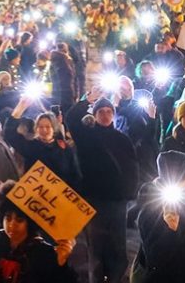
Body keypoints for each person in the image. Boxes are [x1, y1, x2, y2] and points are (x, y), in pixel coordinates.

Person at [65, 89, 138, 283]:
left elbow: (132, 167)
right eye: (101, 112)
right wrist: (85, 101)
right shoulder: (86, 136)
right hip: (94, 200)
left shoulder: (122, 139)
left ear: (113, 115)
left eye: (108, 111)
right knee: (96, 249)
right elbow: (71, 119)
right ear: (95, 115)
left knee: (118, 248)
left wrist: (129, 193)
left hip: (117, 202)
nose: (105, 115)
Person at [0, 181, 77, 283]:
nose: (12, 224)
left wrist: (61, 265)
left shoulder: (44, 253)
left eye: (19, 220)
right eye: (8, 218)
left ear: (30, 222)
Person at [131, 151, 185, 283]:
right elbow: (156, 258)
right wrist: (171, 231)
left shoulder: (179, 199)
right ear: (180, 175)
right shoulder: (154, 209)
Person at [6, 97, 80, 185]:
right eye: (40, 127)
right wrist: (20, 108)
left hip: (59, 197)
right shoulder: (31, 147)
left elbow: (75, 175)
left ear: (54, 129)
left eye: (48, 127)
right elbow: (10, 134)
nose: (44, 130)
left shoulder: (65, 149)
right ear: (36, 129)